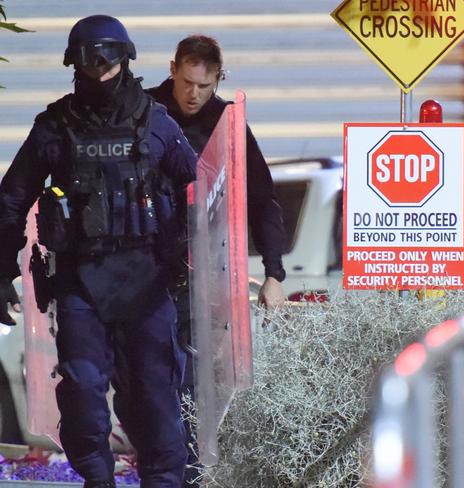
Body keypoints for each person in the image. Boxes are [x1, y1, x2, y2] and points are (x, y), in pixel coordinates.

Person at [0, 15, 198, 488]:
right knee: (84, 392)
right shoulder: (55, 126)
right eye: (92, 61)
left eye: (110, 60)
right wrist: (1, 269)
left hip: (148, 282)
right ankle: (97, 480)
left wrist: (207, 267)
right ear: (75, 64)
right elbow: (11, 200)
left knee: (154, 398)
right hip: (80, 282)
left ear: (126, 60)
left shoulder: (158, 124)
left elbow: (202, 194)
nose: (102, 69)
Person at [146, 34, 287, 487]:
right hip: (140, 269)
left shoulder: (227, 122)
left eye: (205, 86)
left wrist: (273, 273)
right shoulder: (142, 110)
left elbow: (263, 200)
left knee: (191, 380)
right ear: (172, 69)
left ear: (218, 80)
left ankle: (185, 472)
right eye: (187, 82)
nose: (194, 95)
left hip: (201, 274)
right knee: (144, 380)